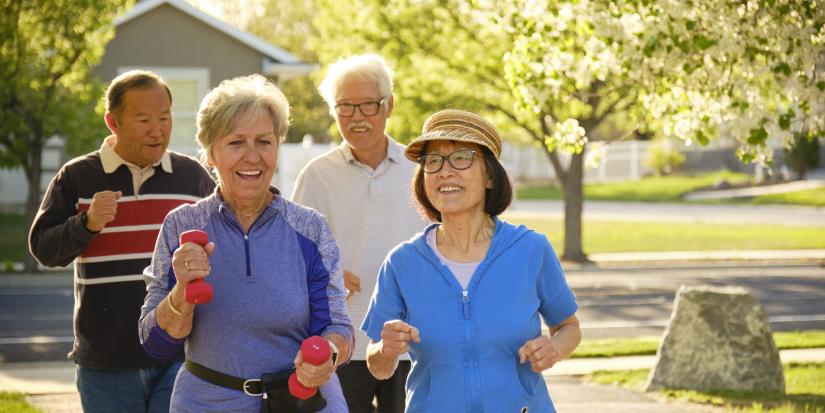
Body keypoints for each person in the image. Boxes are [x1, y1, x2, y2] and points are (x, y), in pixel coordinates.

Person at [138, 74, 353, 412]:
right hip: (207, 402)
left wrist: (328, 355)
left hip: (300, 402)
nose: (252, 157)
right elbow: (155, 344)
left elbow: (337, 326)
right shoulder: (182, 225)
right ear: (210, 154)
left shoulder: (310, 228)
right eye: (236, 142)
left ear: (277, 148)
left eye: (264, 142)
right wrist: (181, 292)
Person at [361, 109, 582, 412]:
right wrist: (385, 350)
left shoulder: (530, 249)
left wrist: (554, 348)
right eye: (434, 160)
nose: (445, 171)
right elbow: (378, 366)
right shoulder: (402, 263)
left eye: (462, 157)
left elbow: (569, 327)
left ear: (490, 176)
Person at [28, 70, 216, 413]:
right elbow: (43, 249)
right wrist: (86, 224)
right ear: (112, 122)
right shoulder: (77, 176)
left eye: (164, 117)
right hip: (106, 363)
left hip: (179, 356)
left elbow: (232, 233)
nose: (157, 130)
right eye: (143, 119)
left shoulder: (193, 178)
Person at [293, 53, 427, 413]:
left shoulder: (422, 170)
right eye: (345, 107)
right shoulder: (317, 176)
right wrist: (326, 276)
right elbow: (292, 257)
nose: (357, 117)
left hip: (411, 339)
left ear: (389, 105)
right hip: (343, 338)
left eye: (367, 105)